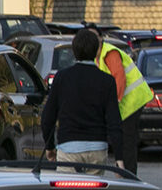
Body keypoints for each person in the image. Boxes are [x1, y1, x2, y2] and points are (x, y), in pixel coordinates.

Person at [41, 29, 124, 168]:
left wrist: (49, 148)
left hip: (68, 148)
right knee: (95, 188)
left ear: (74, 51)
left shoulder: (62, 78)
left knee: (68, 188)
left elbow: (47, 118)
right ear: (97, 50)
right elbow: (114, 122)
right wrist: (119, 158)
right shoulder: (107, 81)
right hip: (97, 149)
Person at [95, 28, 154, 175]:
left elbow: (119, 79)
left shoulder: (109, 53)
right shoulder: (98, 57)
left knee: (127, 141)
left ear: (101, 38)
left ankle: (128, 175)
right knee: (122, 139)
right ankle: (122, 171)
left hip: (131, 102)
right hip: (125, 103)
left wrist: (113, 104)